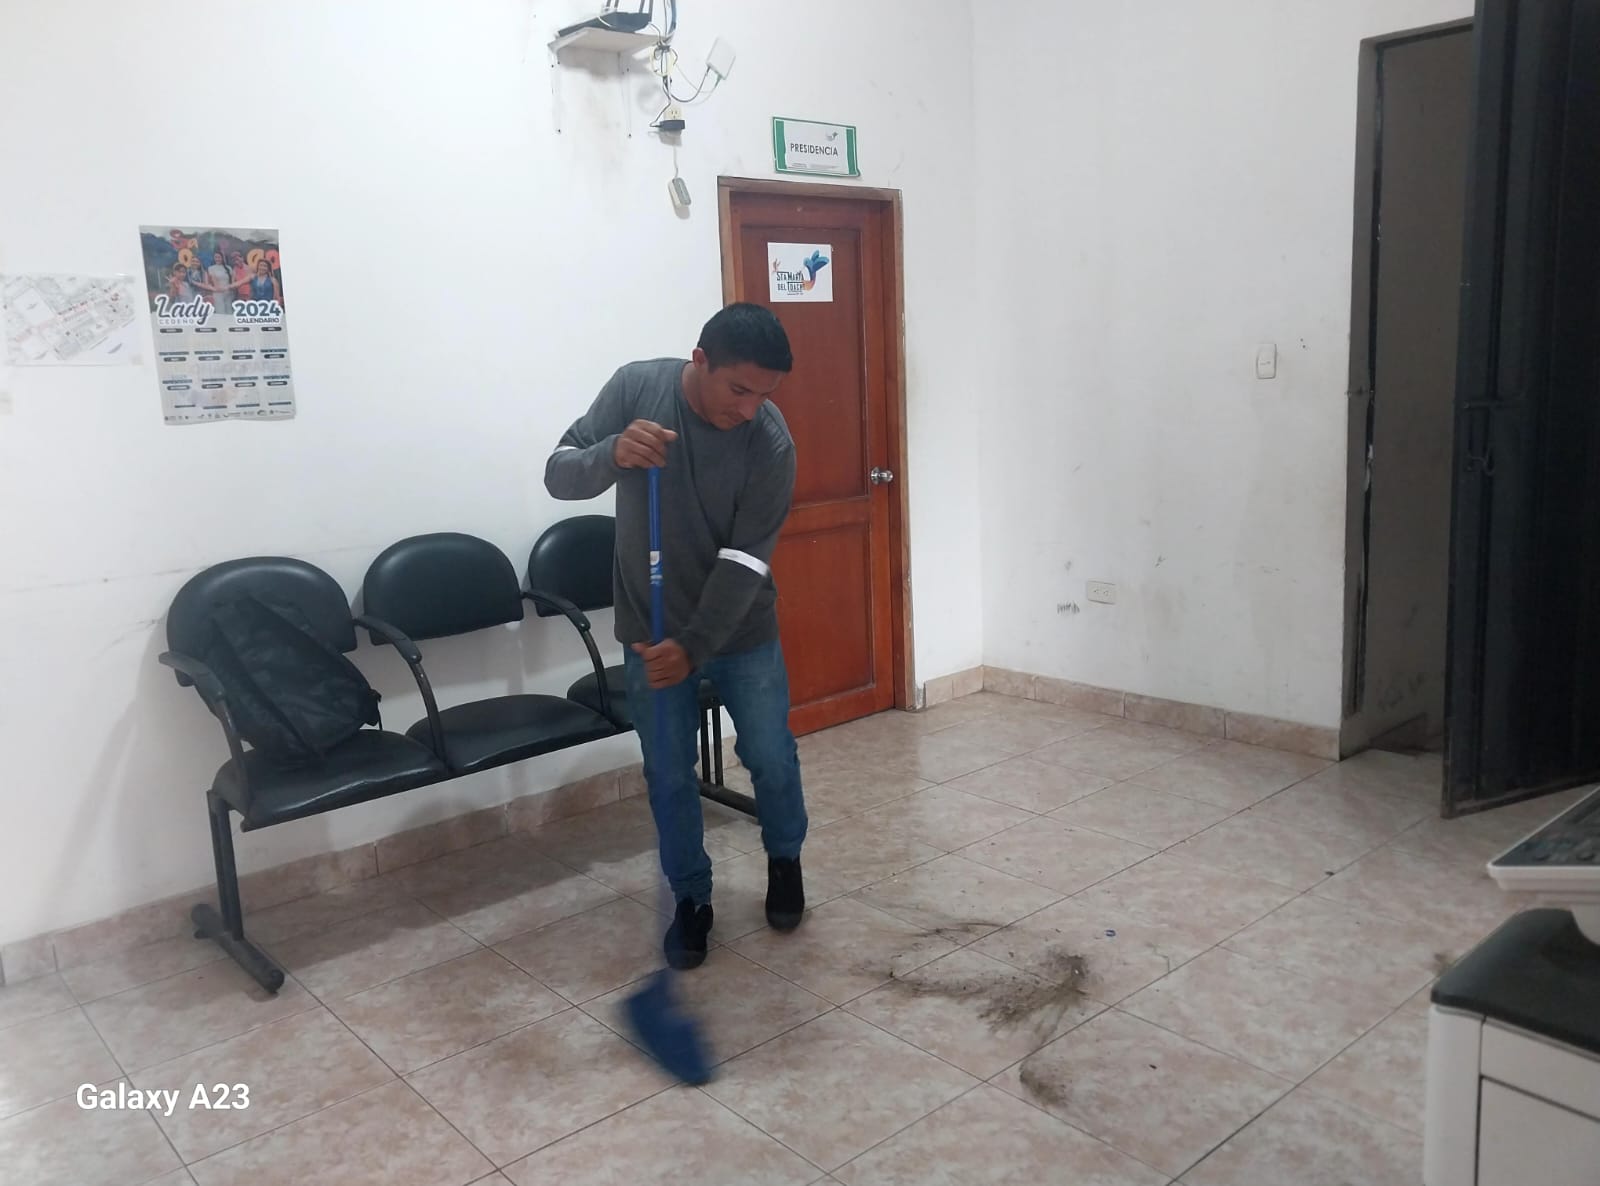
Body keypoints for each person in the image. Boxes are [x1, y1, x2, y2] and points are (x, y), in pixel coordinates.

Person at [545, 303, 808, 969]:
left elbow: (745, 560)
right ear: (700, 361)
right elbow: (559, 472)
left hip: (740, 628)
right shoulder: (637, 387)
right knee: (667, 772)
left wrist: (694, 646)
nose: (749, 409)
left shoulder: (770, 441)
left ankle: (784, 859)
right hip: (650, 631)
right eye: (738, 389)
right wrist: (610, 453)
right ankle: (691, 897)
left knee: (770, 756)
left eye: (765, 395)